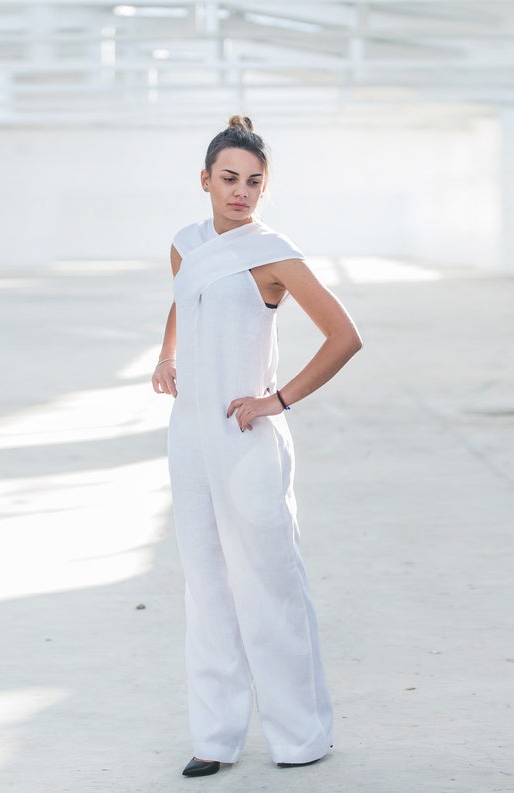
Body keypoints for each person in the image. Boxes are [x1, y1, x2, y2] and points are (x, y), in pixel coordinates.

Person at [151, 115, 362, 778]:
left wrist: (278, 399)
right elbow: (184, 298)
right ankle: (214, 736)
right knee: (206, 586)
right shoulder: (186, 244)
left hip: (247, 441)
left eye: (254, 182)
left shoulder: (271, 251)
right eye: (229, 178)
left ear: (265, 188)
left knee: (269, 585)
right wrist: (167, 355)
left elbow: (344, 335)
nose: (241, 191)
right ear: (205, 179)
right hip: (189, 437)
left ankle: (302, 734)